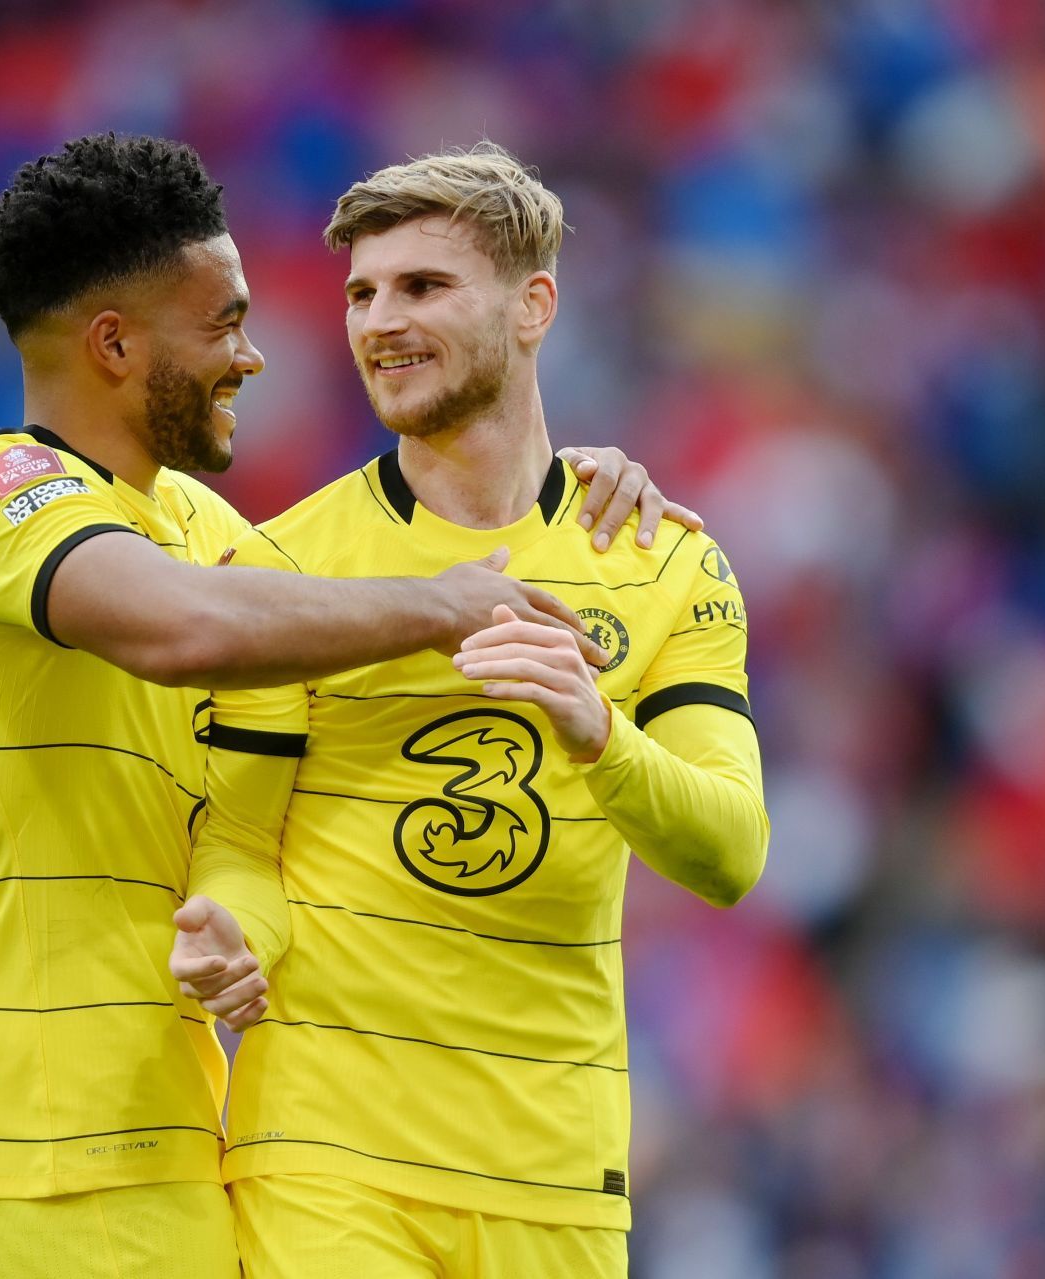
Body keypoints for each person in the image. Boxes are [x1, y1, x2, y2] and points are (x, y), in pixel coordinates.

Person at [0, 132, 691, 1278]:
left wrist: (580, 492)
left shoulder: (209, 530)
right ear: (114, 343)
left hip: (163, 1106)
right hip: (41, 1121)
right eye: (222, 322)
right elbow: (185, 631)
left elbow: (324, 602)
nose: (253, 357)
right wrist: (445, 606)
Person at [176, 143, 770, 1277]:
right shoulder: (286, 565)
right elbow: (245, 840)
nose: (378, 321)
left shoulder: (663, 564)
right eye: (362, 293)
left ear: (533, 304)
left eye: (423, 286)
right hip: (325, 1153)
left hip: (554, 1170)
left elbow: (731, 851)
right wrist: (231, 924)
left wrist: (604, 739)